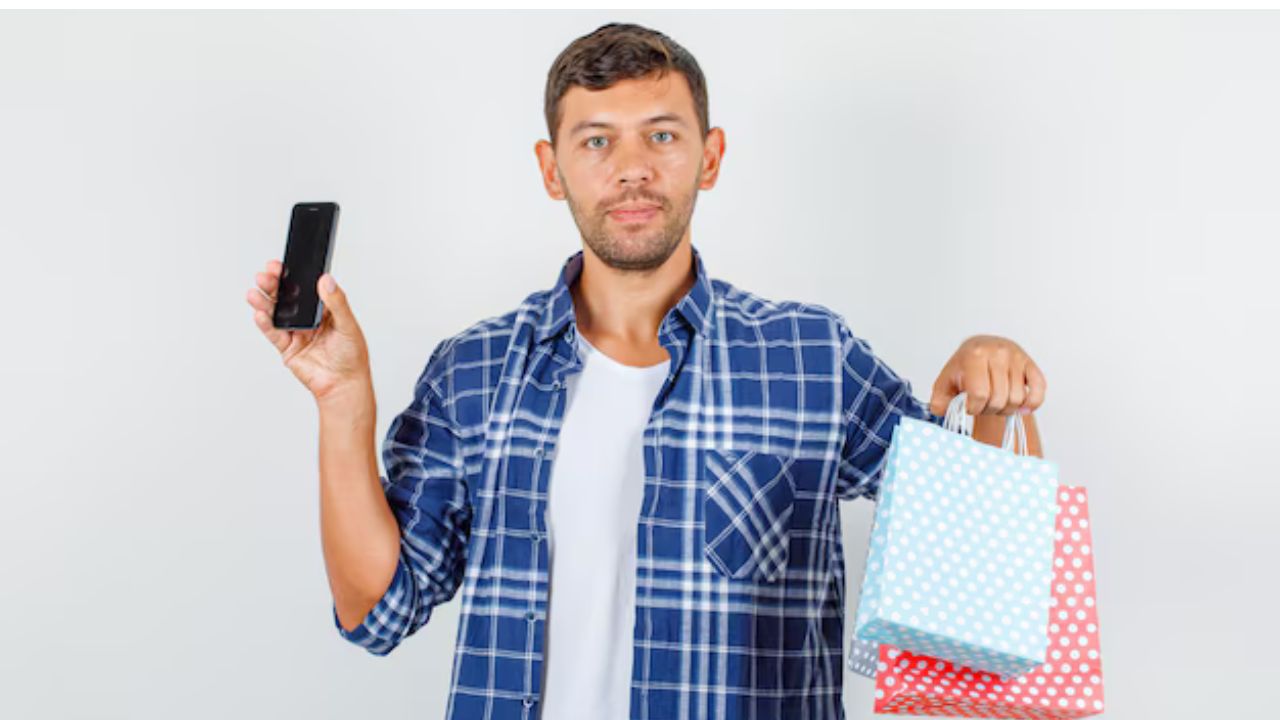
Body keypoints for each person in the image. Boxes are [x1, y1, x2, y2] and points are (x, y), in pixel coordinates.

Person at [245, 21, 1047, 720]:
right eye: (596, 140)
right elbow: (375, 612)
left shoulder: (812, 358)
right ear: (551, 168)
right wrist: (343, 399)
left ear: (711, 155)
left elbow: (972, 574)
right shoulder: (474, 371)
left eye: (661, 134)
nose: (631, 168)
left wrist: (986, 391)